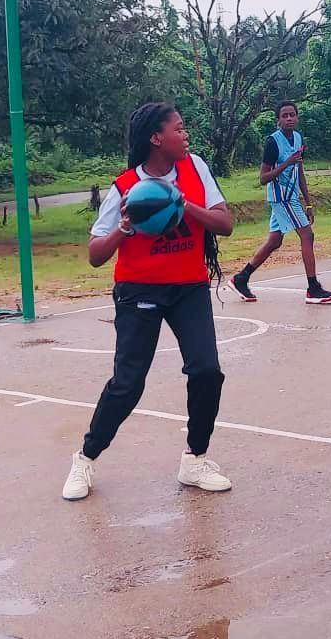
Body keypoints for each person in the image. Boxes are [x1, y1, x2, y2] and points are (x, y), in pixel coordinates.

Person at [62, 102, 234, 501]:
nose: (185, 135)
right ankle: (85, 458)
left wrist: (181, 203)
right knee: (128, 384)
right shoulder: (126, 187)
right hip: (139, 290)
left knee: (207, 371)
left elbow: (224, 223)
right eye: (179, 129)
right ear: (157, 138)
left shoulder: (195, 168)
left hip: (188, 287)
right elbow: (95, 255)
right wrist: (124, 228)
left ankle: (195, 459)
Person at [227, 100, 331, 304]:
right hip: (281, 198)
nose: (289, 119)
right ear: (278, 120)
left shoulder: (298, 138)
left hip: (292, 196)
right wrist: (286, 163)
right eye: (284, 116)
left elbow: (299, 171)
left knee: (275, 241)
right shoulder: (273, 142)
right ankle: (313, 288)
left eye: (292, 115)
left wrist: (308, 203)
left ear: (297, 117)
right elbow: (263, 178)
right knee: (307, 235)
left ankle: (241, 279)